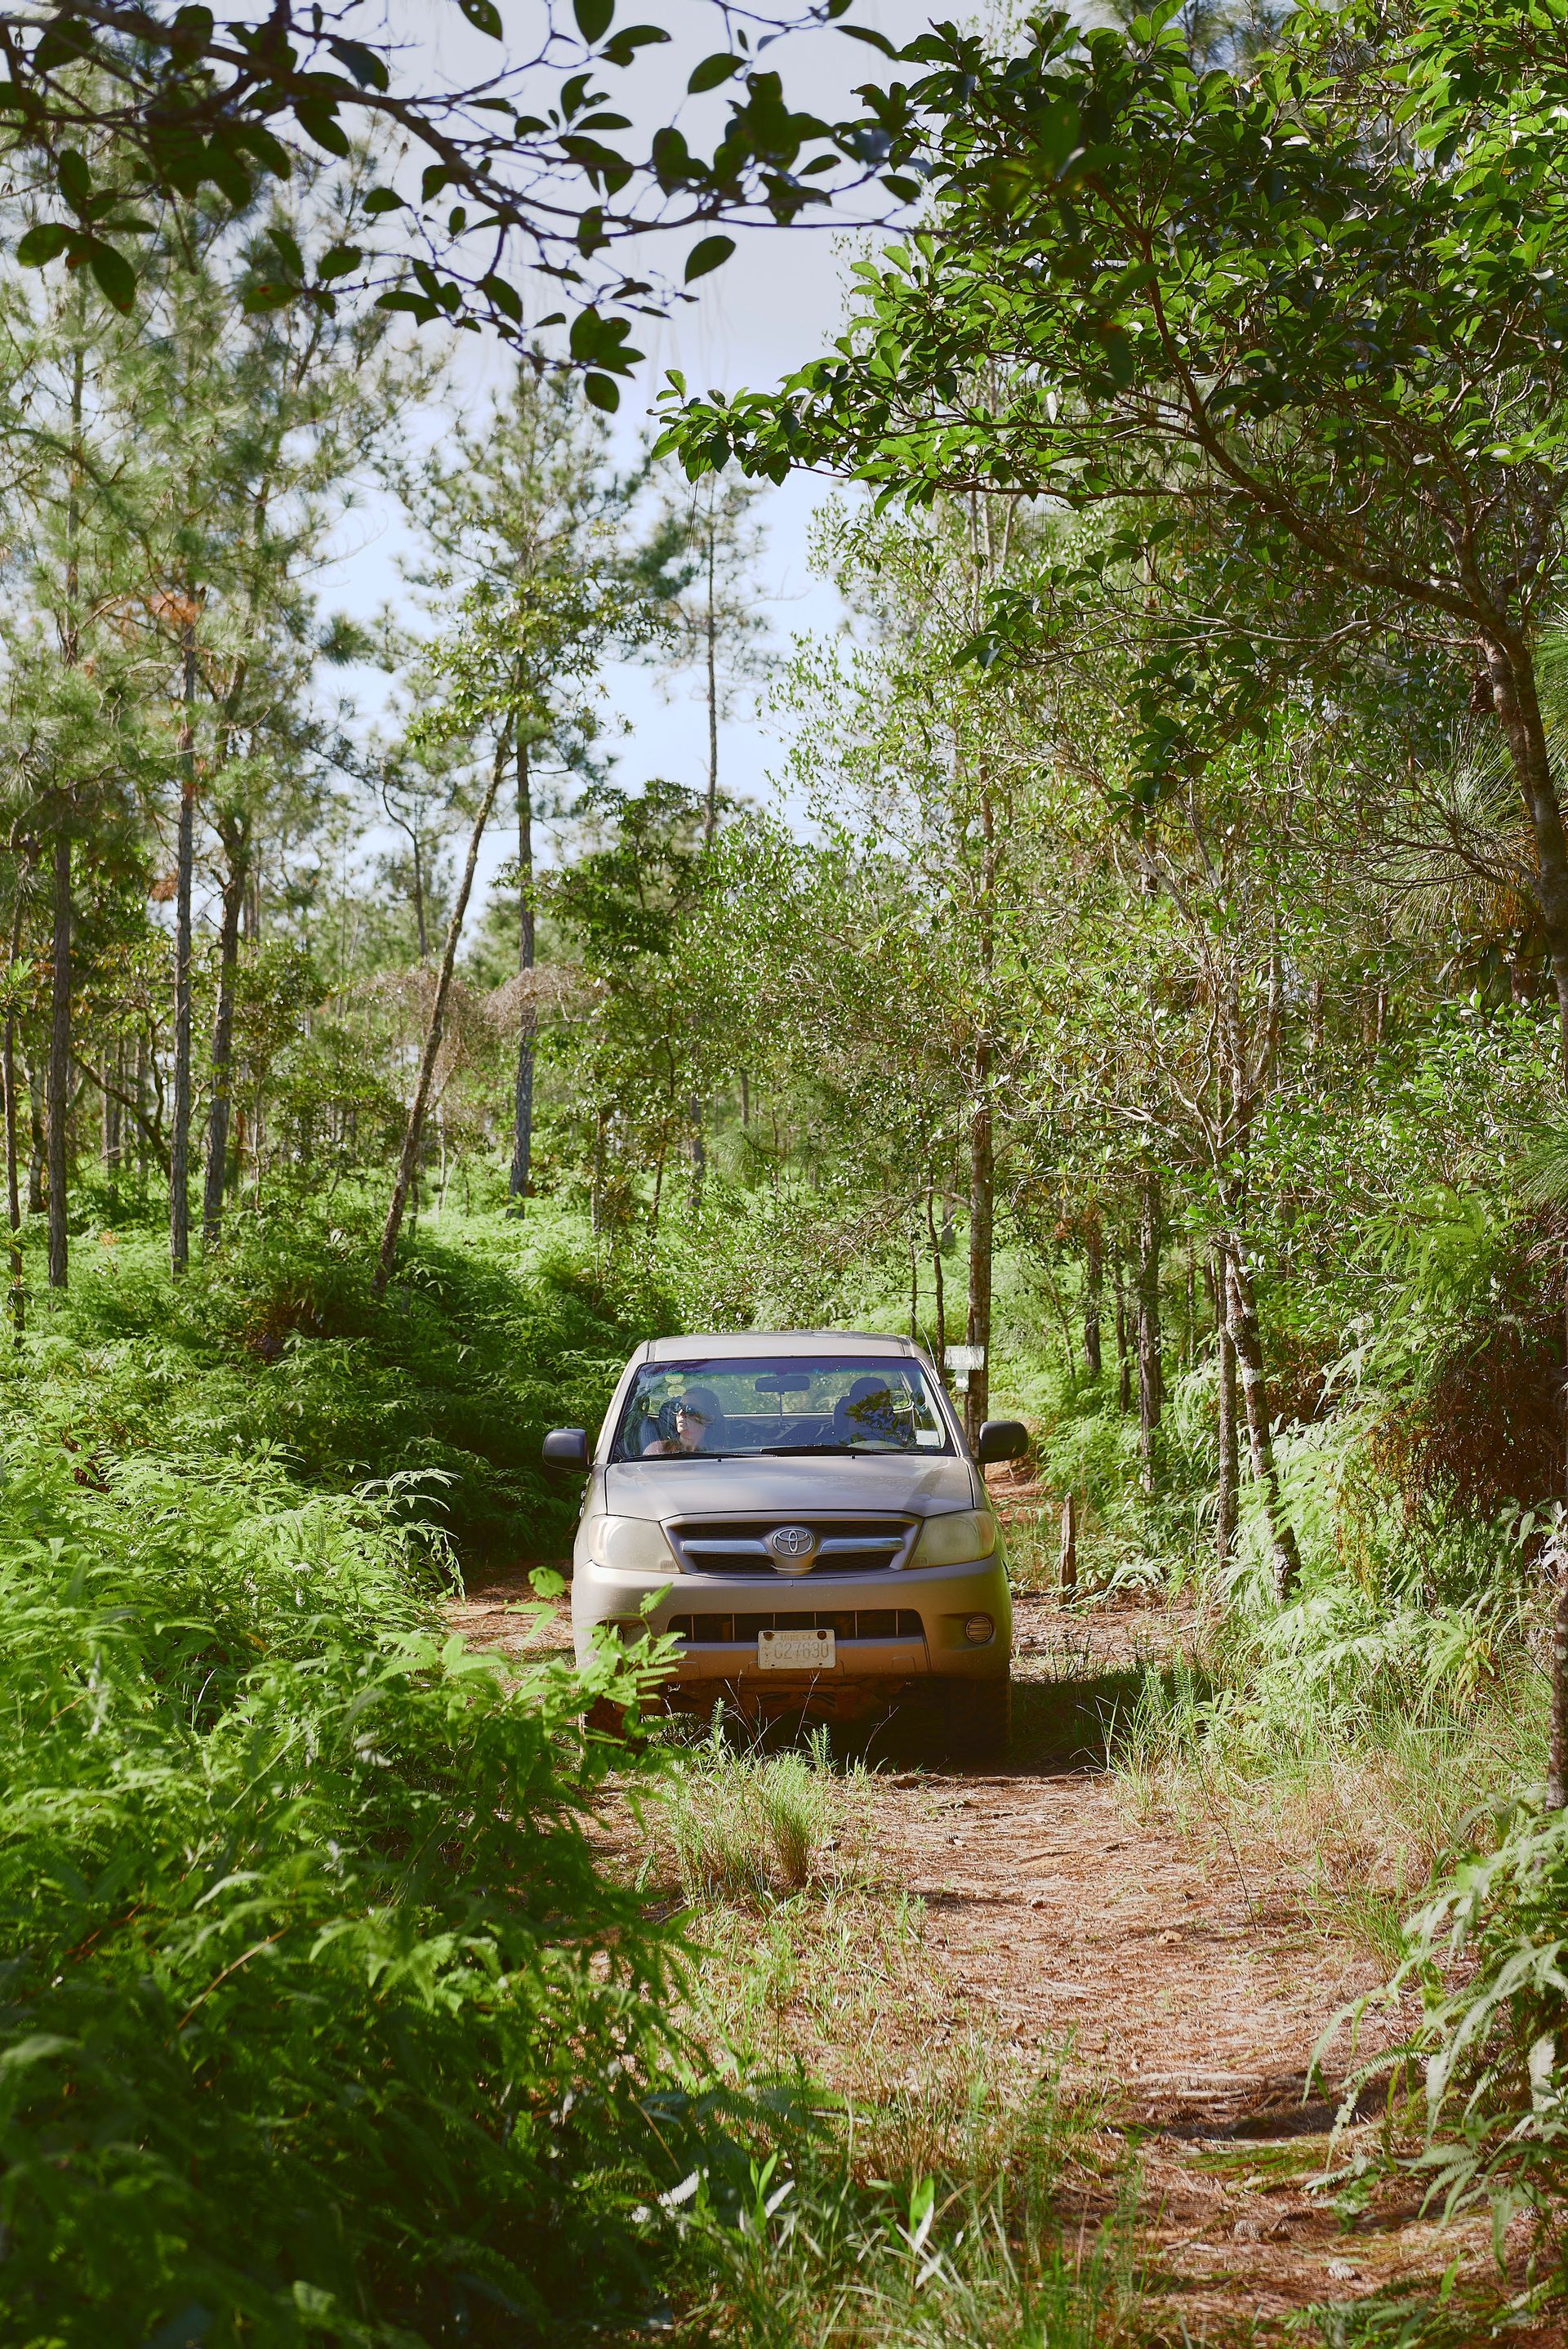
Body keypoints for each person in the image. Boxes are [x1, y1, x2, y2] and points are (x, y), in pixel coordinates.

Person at [643, 1385, 726, 1454]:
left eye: (690, 1409)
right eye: (679, 1406)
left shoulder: (720, 1454)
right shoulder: (657, 1451)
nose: (681, 1413)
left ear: (709, 1418)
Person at [835, 1375, 902, 1446]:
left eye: (885, 1403)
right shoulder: (829, 1446)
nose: (882, 1409)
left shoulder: (901, 1437)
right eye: (874, 1402)